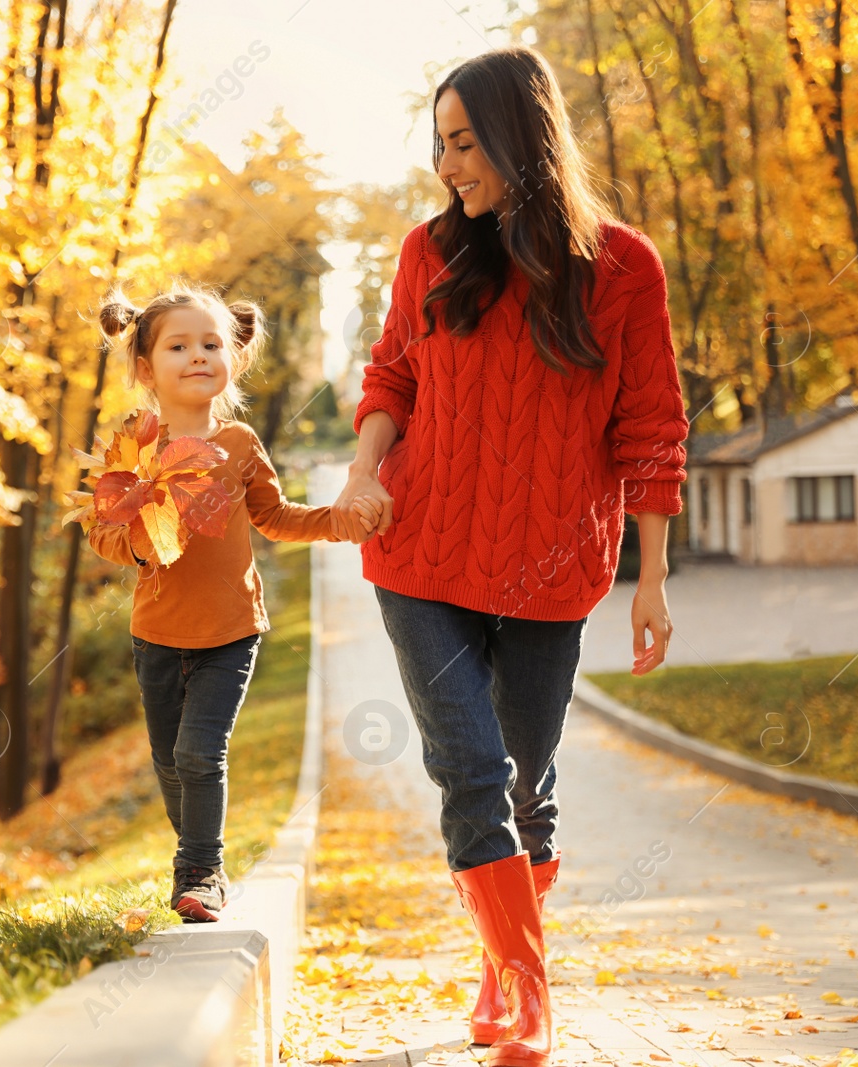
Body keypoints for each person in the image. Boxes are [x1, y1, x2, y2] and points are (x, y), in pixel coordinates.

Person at [330, 47, 689, 1067]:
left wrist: (651, 576)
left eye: (462, 142)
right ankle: (530, 993)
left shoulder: (624, 267)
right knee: (469, 769)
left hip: (552, 566)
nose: (447, 166)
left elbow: (651, 427)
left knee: (526, 778)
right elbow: (390, 373)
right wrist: (364, 474)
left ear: (517, 138)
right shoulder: (428, 251)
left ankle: (500, 959)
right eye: (437, 144)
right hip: (421, 554)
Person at [87, 282, 381, 923]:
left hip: (230, 630)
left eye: (211, 344)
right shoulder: (133, 446)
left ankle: (201, 872)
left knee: (199, 754)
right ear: (145, 367)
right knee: (170, 763)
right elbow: (101, 529)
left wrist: (337, 520)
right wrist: (138, 541)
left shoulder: (241, 443)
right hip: (157, 632)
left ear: (233, 359)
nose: (198, 355)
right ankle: (195, 844)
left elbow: (273, 517)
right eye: (179, 345)